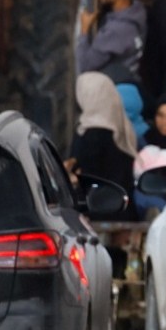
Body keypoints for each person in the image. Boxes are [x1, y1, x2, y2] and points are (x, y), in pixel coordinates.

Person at [67, 72, 139, 221]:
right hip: (123, 208)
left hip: (98, 212)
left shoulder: (92, 134)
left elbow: (87, 175)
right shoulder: (121, 126)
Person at [78, 0, 148, 97]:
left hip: (112, 93)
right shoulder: (137, 12)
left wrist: (84, 30)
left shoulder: (116, 31)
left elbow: (85, 65)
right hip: (130, 84)